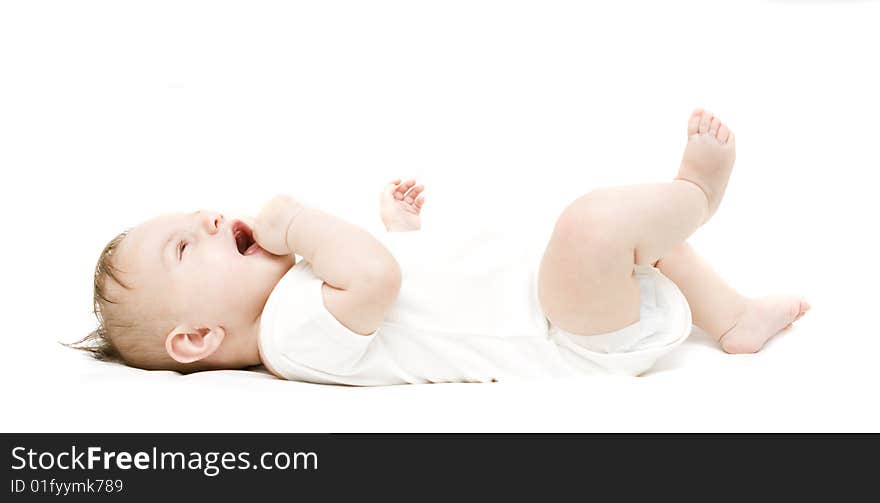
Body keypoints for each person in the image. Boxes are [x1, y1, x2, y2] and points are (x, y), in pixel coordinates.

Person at [71, 109, 809, 385]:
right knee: (591, 227)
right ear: (197, 336)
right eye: (182, 247)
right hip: (561, 337)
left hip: (552, 303)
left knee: (626, 243)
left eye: (194, 218)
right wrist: (295, 222)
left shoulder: (305, 304)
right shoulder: (286, 336)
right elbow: (378, 282)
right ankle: (698, 194)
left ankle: (733, 315)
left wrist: (402, 232)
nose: (206, 218)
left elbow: (403, 288)